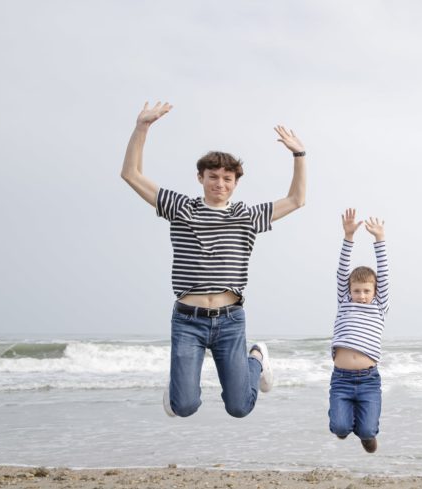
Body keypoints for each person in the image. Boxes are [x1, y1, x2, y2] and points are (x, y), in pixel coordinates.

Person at [120, 101, 307, 418]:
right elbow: (131, 174)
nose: (220, 183)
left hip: (230, 321)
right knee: (184, 406)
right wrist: (142, 128)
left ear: (236, 182)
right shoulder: (181, 208)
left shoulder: (246, 216)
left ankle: (257, 357)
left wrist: (299, 156)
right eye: (213, 176)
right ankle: (180, 387)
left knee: (239, 407)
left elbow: (296, 200)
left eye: (227, 178)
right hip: (187, 320)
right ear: (200, 178)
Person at [329, 209, 390, 453]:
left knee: (366, 430)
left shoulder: (379, 306)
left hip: (368, 380)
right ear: (349, 290)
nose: (361, 295)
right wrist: (348, 237)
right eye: (357, 291)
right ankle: (343, 425)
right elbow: (342, 270)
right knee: (340, 428)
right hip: (341, 379)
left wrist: (379, 239)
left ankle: (366, 433)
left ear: (374, 292)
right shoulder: (345, 302)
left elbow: (383, 274)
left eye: (366, 291)